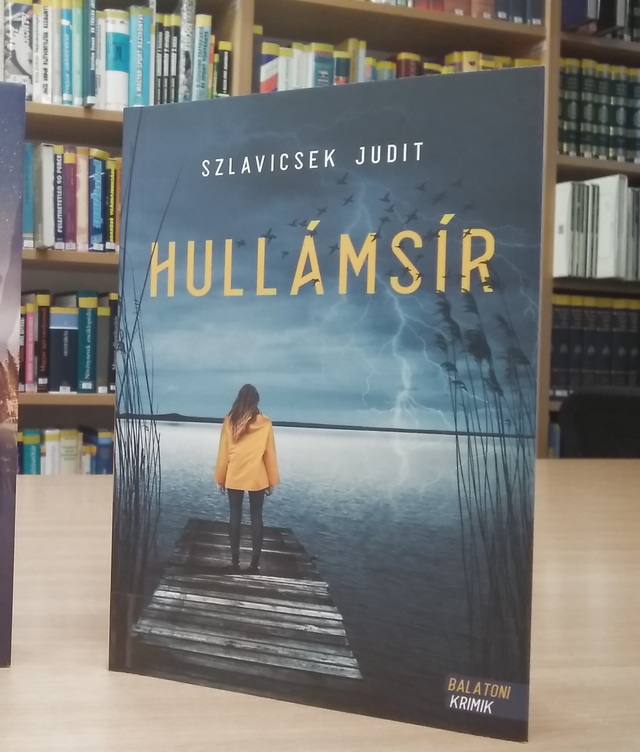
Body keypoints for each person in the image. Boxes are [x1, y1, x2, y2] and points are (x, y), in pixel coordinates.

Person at [214, 384, 279, 574]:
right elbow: (270, 454)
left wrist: (220, 477)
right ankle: (254, 564)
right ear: (256, 401)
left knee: (235, 515)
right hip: (257, 476)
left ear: (239, 399)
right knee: (256, 516)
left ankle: (235, 562)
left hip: (235, 473)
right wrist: (272, 481)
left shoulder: (229, 421)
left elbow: (223, 452)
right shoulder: (265, 423)